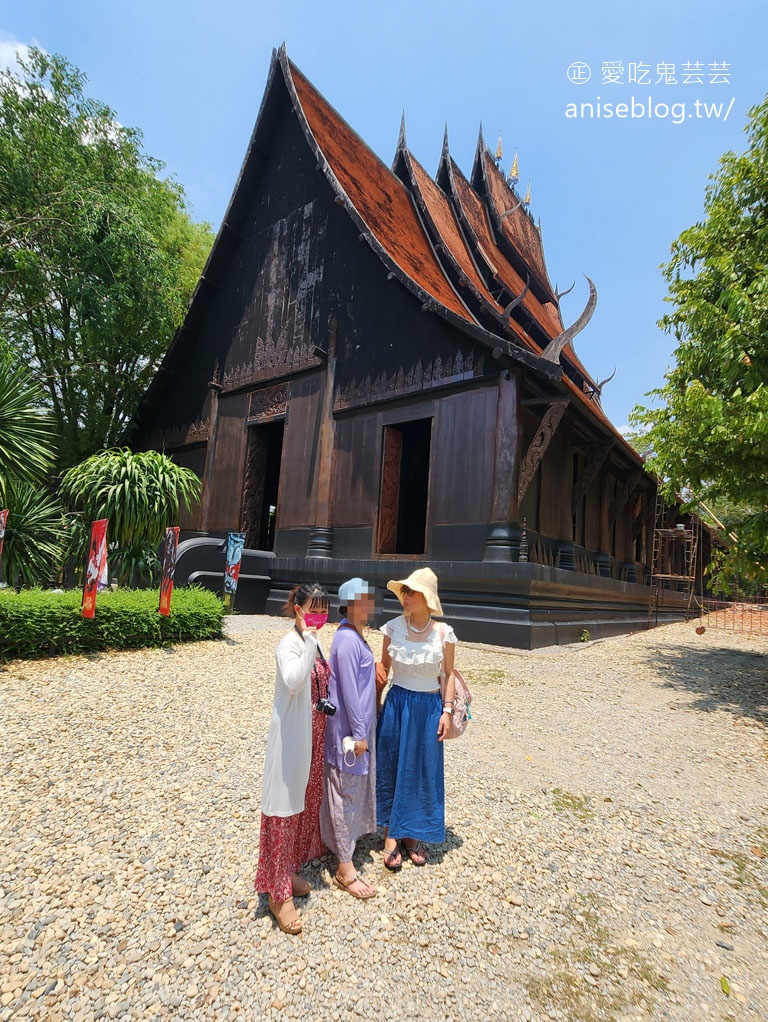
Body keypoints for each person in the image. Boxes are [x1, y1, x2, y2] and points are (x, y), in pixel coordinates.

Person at [254, 583, 331, 935]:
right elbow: (295, 681)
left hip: (311, 737)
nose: (319, 617)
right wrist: (312, 640)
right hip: (290, 741)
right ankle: (277, 894)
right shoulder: (290, 643)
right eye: (313, 609)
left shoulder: (309, 642)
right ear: (298, 610)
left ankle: (287, 872)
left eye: (324, 610)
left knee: (299, 809)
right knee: (283, 812)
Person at [375, 567, 456, 870]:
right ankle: (390, 831)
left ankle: (412, 831)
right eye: (404, 591)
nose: (405, 597)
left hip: (429, 707)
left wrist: (447, 712)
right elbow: (382, 672)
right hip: (398, 703)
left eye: (411, 592)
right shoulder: (392, 628)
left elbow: (447, 675)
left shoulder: (445, 633)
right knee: (393, 764)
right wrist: (376, 704)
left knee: (422, 768)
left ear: (427, 598)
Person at [320, 577, 378, 899]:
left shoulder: (355, 636)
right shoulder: (346, 640)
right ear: (353, 604)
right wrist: (358, 734)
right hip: (348, 732)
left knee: (350, 789)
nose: (370, 607)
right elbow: (349, 691)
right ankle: (344, 867)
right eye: (365, 601)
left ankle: (344, 847)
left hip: (357, 727)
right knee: (344, 792)